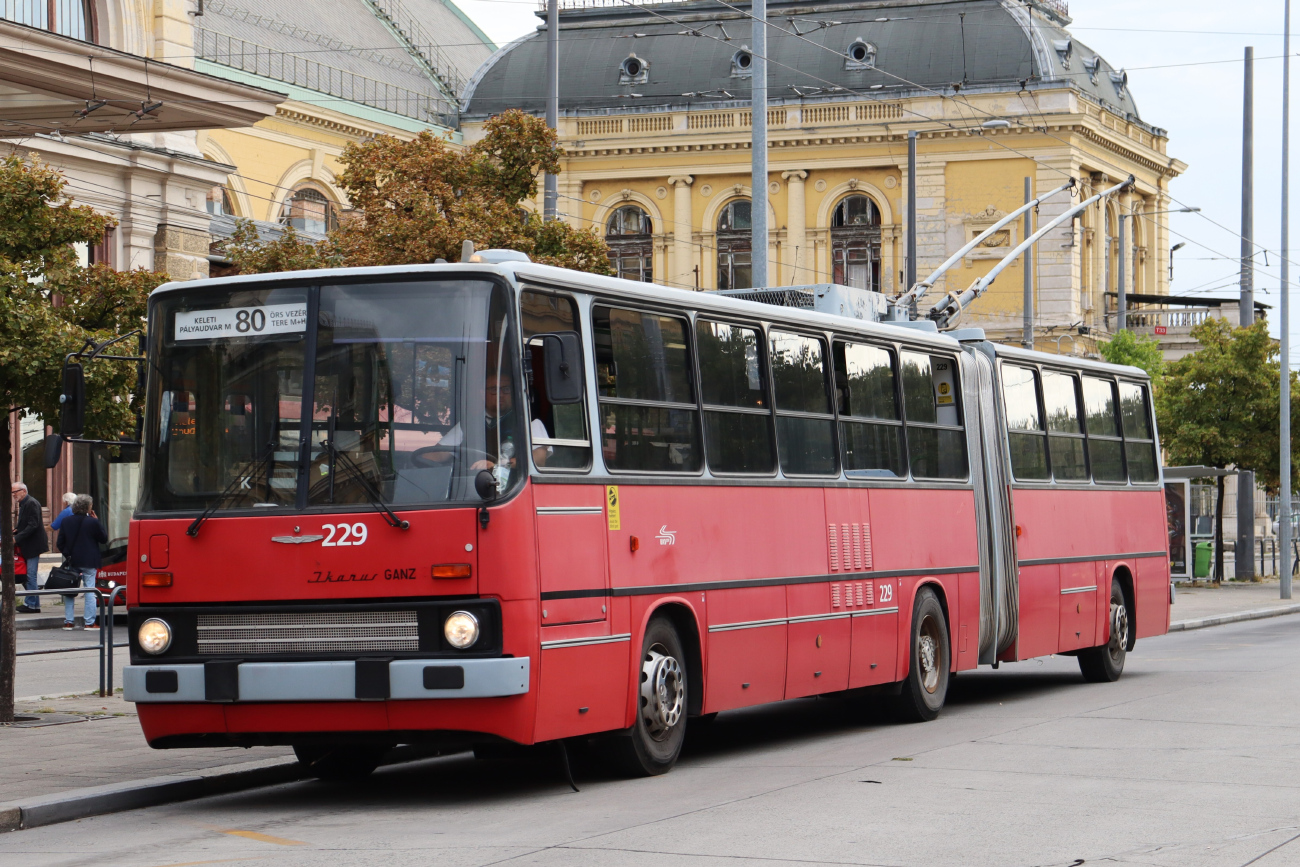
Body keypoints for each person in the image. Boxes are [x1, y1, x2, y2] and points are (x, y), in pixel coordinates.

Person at [435, 370, 552, 470]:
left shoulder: (530, 422)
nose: (500, 395)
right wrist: (418, 460)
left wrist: (498, 465)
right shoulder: (468, 424)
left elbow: (539, 459)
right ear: (482, 394)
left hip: (513, 490)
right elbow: (439, 454)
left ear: (514, 393)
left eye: (506, 389)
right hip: (471, 489)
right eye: (493, 389)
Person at [56, 494, 106, 630]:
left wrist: (68, 554)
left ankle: (68, 621)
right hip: (90, 561)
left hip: (73, 561)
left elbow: (60, 543)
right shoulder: (93, 522)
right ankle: (89, 622)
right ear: (89, 508)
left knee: (69, 591)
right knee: (90, 590)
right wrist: (97, 521)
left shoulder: (66, 521)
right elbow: (103, 539)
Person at [11, 482, 48, 614]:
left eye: (15, 492)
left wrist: (17, 538)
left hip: (33, 545)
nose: (13, 495)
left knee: (30, 575)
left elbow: (33, 525)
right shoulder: (25, 503)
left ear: (24, 491)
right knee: (29, 575)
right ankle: (34, 604)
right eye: (12, 493)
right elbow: (27, 524)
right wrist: (16, 531)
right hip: (30, 544)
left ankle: (31, 604)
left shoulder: (31, 503)